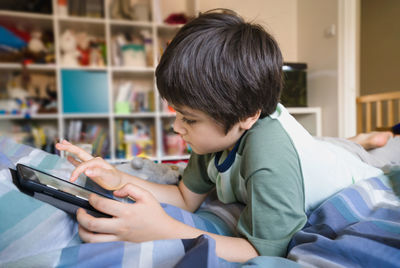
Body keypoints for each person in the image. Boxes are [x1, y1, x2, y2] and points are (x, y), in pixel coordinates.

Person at [55, 10, 391, 262]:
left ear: (246, 117)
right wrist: (117, 177)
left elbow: (260, 251)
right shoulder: (212, 135)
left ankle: (360, 143)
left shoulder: (270, 156)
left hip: (348, 170)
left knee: (343, 151)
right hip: (310, 151)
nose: (176, 127)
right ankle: (355, 141)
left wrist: (164, 230)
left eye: (188, 119)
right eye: (176, 113)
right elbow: (186, 198)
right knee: (325, 144)